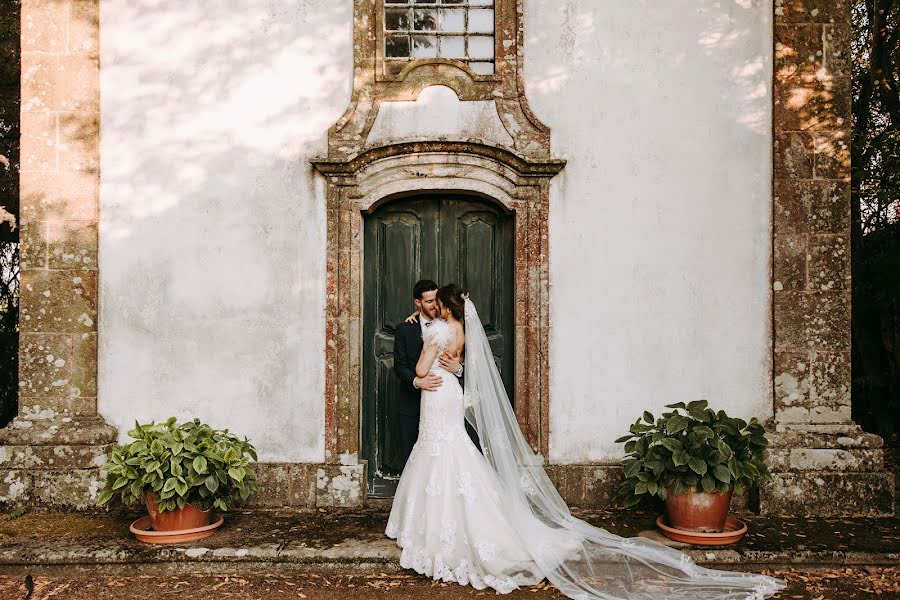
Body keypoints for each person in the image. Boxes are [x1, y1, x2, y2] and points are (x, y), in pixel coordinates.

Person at [386, 284, 788, 600]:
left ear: (446, 307)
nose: (433, 306)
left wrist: (422, 373)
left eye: (437, 301)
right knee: (452, 454)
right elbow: (459, 366)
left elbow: (423, 367)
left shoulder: (438, 330)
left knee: (440, 454)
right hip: (450, 393)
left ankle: (434, 530)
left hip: (436, 394)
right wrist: (446, 363)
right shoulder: (462, 331)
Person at [392, 280, 464, 464]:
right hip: (412, 403)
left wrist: (459, 368)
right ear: (418, 303)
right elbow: (399, 365)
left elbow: (472, 359)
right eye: (429, 302)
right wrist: (417, 381)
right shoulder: (405, 329)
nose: (434, 306)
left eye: (436, 300)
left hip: (442, 396)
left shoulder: (449, 325)